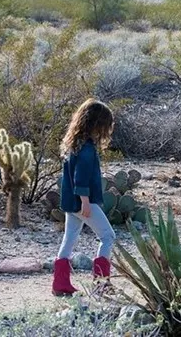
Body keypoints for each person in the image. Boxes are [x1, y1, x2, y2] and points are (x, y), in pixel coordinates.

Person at [52, 98, 117, 296]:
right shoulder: (87, 148)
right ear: (97, 124)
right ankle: (101, 284)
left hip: (71, 203)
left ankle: (60, 284)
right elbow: (81, 177)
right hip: (82, 201)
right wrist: (85, 201)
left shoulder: (74, 145)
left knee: (69, 238)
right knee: (108, 236)